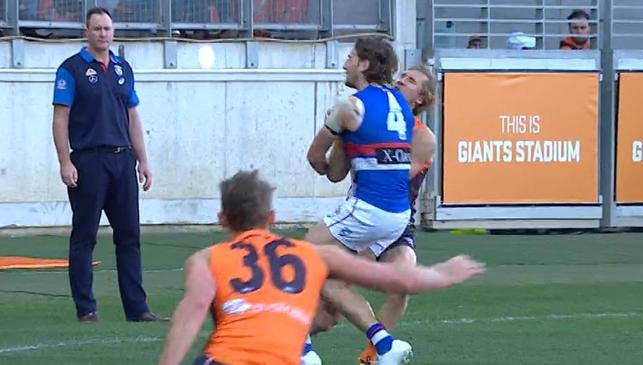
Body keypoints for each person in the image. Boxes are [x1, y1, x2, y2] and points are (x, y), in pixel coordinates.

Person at [158, 170, 484, 365]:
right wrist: (444, 273)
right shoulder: (313, 255)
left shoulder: (205, 258)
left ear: (222, 220)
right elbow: (393, 277)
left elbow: (192, 313)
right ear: (272, 219)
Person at [304, 36, 415, 364]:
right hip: (398, 217)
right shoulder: (400, 103)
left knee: (301, 260)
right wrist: (343, 141)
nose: (345, 62)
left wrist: (332, 134)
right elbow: (344, 169)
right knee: (331, 282)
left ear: (365, 64)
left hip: (369, 209)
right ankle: (379, 345)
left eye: (350, 57)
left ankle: (305, 350)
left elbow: (316, 159)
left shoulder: (350, 105)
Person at [52, 7, 165, 322]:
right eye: (97, 28)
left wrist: (143, 160)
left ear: (113, 32)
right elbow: (60, 119)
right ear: (86, 32)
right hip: (88, 161)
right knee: (85, 235)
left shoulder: (123, 68)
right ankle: (86, 308)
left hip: (122, 160)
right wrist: (65, 161)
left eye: (107, 29)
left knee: (129, 235)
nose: (103, 34)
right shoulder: (70, 69)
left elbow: (133, 116)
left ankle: (137, 309)